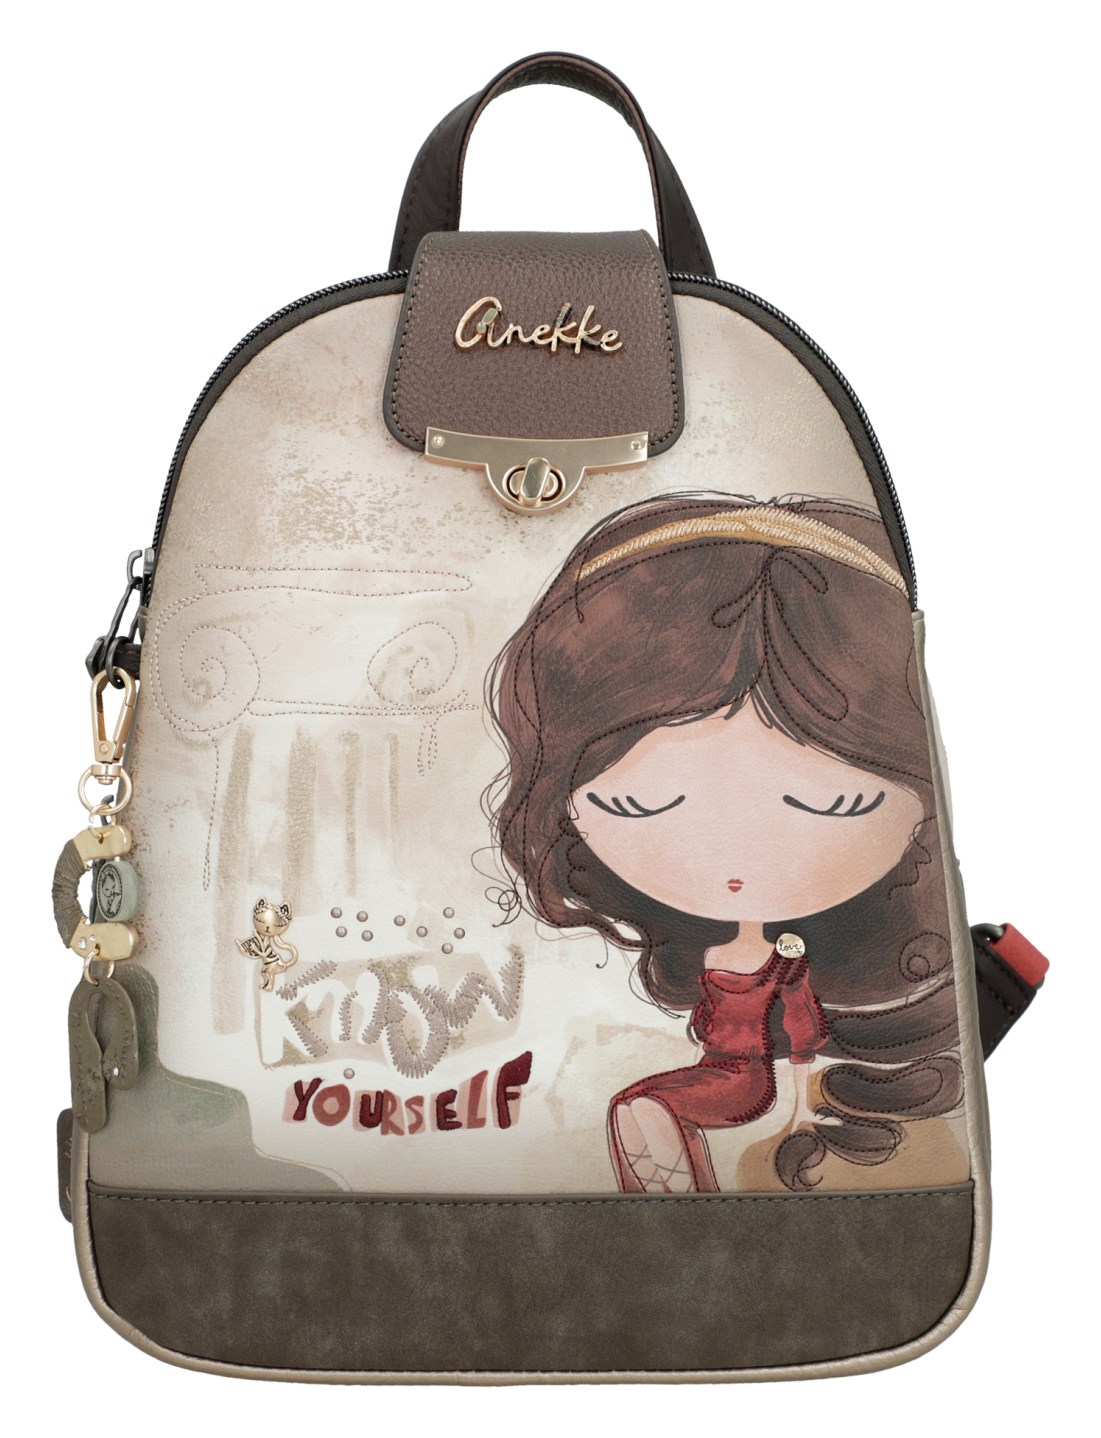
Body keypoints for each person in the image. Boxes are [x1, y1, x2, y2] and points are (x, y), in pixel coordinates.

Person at [487, 494, 963, 1192]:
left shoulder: (802, 976)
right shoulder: (715, 954)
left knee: (643, 1108)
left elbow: (798, 1022)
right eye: (639, 803)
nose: (737, 857)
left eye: (831, 803)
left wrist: (799, 1083)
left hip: (758, 1085)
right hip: (730, 1075)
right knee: (639, 1108)